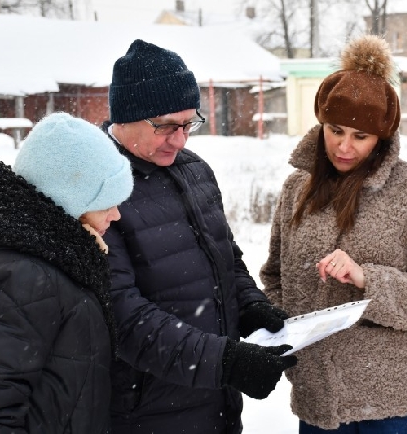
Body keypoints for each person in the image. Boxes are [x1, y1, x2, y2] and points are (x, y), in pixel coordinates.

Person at [259, 35, 407, 434]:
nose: (343, 146)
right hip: (319, 405)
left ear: (381, 139)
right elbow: (274, 277)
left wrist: (367, 279)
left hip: (395, 410)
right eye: (335, 130)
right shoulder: (296, 189)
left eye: (360, 136)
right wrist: (285, 331)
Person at [101, 39, 297, 434]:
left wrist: (252, 306)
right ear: (126, 117)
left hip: (216, 406)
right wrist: (226, 361)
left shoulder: (195, 171)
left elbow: (226, 261)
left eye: (189, 124)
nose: (180, 139)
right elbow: (122, 317)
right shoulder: (98, 189)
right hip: (147, 413)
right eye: (166, 127)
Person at [0, 112, 133, 432]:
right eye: (107, 201)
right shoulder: (25, 280)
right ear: (70, 199)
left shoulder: (59, 260)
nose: (116, 214)